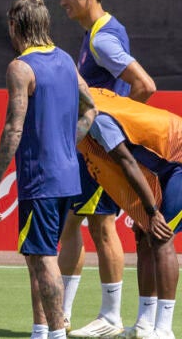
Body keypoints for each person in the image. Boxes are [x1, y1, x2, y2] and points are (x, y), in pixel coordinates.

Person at [0, 0, 97, 339]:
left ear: (15, 25)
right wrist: (67, 142)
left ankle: (56, 332)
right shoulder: (64, 59)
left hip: (41, 178)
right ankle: (41, 330)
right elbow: (91, 109)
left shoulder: (20, 67)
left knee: (43, 256)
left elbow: (13, 127)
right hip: (66, 175)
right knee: (38, 254)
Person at [56, 0, 157, 337]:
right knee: (76, 223)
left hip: (101, 148)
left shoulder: (102, 39)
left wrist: (117, 125)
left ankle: (110, 316)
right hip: (93, 146)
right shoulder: (96, 32)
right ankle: (64, 314)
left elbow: (144, 85)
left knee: (99, 224)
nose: (63, 3)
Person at [74, 89, 180, 339]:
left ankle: (164, 329)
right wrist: (142, 212)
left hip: (178, 162)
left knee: (161, 237)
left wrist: (151, 211)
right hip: (164, 167)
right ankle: (144, 323)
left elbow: (127, 163)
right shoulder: (89, 103)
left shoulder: (98, 120)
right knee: (145, 237)